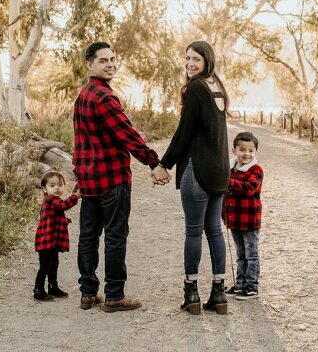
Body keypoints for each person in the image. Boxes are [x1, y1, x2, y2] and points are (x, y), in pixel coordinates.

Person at [73, 41, 170, 313]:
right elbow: (127, 135)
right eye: (103, 60)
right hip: (112, 180)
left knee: (89, 236)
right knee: (115, 236)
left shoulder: (83, 95)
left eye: (113, 59)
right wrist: (154, 162)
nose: (111, 64)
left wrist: (78, 173)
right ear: (90, 64)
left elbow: (79, 142)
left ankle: (88, 294)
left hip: (90, 180)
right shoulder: (104, 97)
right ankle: (114, 295)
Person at [152, 40, 231, 315]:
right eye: (187, 58)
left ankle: (192, 293)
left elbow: (183, 133)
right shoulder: (217, 87)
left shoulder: (197, 87)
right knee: (215, 231)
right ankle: (219, 294)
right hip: (220, 172)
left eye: (196, 59)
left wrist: (164, 164)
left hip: (197, 171)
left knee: (194, 231)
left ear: (207, 60)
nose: (190, 63)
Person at [222, 131, 264, 300]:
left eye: (251, 150)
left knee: (251, 254)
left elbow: (248, 188)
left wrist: (225, 179)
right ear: (234, 150)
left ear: (255, 152)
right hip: (234, 219)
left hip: (250, 220)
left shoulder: (256, 170)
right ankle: (240, 284)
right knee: (240, 254)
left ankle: (251, 286)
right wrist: (224, 214)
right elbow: (226, 195)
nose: (246, 154)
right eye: (242, 150)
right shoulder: (230, 169)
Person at [34, 170, 79, 301]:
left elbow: (51, 216)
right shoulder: (50, 200)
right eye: (52, 186)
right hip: (46, 241)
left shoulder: (54, 201)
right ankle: (38, 290)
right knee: (45, 266)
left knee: (54, 264)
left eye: (59, 184)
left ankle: (53, 286)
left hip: (51, 241)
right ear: (44, 189)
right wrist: (76, 195)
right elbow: (63, 206)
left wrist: (64, 219)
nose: (57, 188)